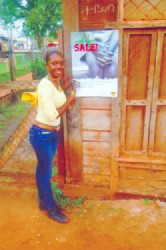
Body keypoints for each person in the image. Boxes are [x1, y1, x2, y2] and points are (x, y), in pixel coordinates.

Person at [29, 50, 75, 223]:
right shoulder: (44, 85)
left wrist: (64, 89)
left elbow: (55, 98)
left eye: (61, 63)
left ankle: (43, 202)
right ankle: (51, 208)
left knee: (42, 169)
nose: (59, 66)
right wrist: (69, 102)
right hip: (42, 134)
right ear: (46, 65)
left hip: (51, 134)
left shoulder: (54, 82)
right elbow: (52, 115)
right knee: (46, 173)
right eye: (54, 63)